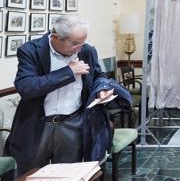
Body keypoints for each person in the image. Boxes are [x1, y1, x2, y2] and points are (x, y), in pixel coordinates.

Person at [5, 14, 110, 174]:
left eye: (83, 42)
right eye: (75, 43)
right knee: (32, 174)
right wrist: (68, 72)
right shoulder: (30, 50)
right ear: (55, 36)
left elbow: (99, 76)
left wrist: (102, 89)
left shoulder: (87, 50)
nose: (79, 48)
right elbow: (26, 87)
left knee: (67, 175)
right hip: (38, 125)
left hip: (73, 124)